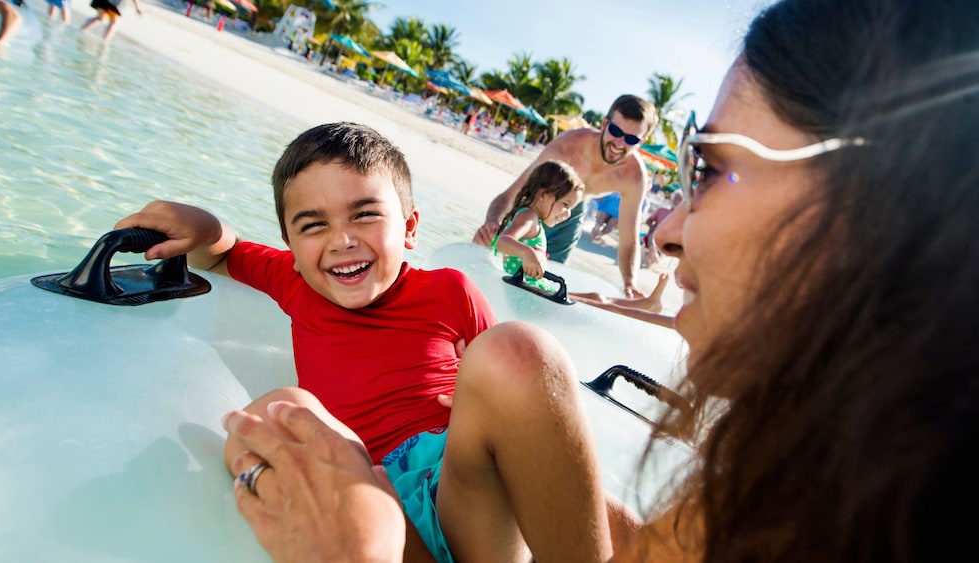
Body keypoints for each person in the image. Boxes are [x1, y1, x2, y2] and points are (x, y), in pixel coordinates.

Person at [220, 0, 979, 560]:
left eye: (711, 170)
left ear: (876, 214)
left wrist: (360, 554)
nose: (671, 231)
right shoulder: (784, 477)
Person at [118, 122, 618, 562]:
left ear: (410, 228)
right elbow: (222, 252)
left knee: (516, 350)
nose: (341, 240)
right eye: (313, 225)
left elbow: (509, 390)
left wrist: (477, 399)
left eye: (364, 215)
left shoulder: (449, 289)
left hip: (465, 488)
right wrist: (202, 223)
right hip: (364, 497)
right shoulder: (294, 280)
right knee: (280, 409)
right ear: (290, 247)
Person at [473, 95, 659, 298]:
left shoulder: (634, 176)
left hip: (570, 215)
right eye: (615, 131)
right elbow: (514, 193)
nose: (619, 143)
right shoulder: (568, 146)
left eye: (631, 139)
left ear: (642, 141)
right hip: (539, 205)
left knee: (546, 285)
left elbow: (629, 240)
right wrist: (492, 223)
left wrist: (630, 282)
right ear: (605, 123)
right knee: (503, 262)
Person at [491, 159, 584, 288]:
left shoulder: (533, 220)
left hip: (529, 287)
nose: (568, 214)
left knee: (591, 297)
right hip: (524, 290)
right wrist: (527, 252)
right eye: (565, 205)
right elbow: (503, 242)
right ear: (543, 194)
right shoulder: (528, 217)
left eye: (571, 209)